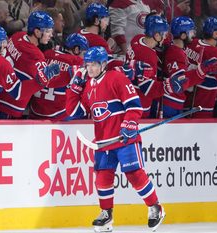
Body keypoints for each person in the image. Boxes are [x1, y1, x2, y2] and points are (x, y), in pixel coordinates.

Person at [66, 46, 165, 233]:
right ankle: (106, 215)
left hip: (124, 138)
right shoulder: (88, 87)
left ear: (103, 64)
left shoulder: (116, 78)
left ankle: (155, 208)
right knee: (102, 178)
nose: (90, 69)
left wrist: (129, 124)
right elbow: (73, 112)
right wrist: (74, 87)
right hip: (104, 142)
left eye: (94, 65)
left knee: (134, 174)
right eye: (88, 65)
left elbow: (134, 105)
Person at [126, 14, 192, 118]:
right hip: (140, 106)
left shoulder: (137, 39)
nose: (165, 37)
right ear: (156, 35)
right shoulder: (149, 55)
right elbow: (147, 88)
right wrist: (167, 86)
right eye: (164, 34)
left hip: (127, 99)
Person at [0, 11, 60, 119]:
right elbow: (46, 81)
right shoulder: (35, 55)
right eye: (48, 31)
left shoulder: (17, 36)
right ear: (37, 32)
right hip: (11, 104)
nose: (51, 35)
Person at [162, 16, 217, 118]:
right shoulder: (175, 52)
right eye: (191, 32)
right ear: (183, 35)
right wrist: (201, 71)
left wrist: (194, 69)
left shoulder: (179, 50)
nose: (194, 35)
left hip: (176, 101)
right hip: (171, 102)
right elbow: (180, 81)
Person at [30, 33, 88, 120]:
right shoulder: (77, 61)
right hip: (60, 117)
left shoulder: (47, 54)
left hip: (35, 111)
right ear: (76, 49)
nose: (84, 57)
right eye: (84, 53)